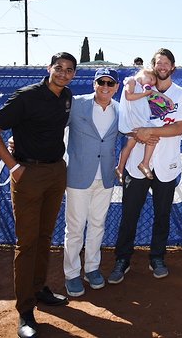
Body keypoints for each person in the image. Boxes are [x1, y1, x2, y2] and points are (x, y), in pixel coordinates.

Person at [0, 52, 76, 338]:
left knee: (45, 236)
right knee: (27, 242)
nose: (63, 74)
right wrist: (13, 166)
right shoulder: (25, 96)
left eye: (69, 70)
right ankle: (25, 310)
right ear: (49, 69)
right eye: (58, 68)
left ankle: (38, 289)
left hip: (56, 172)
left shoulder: (67, 97)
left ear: (73, 75)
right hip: (29, 175)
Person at [108, 48, 182, 283]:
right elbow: (125, 122)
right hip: (137, 164)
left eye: (166, 63)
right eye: (158, 62)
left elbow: (177, 128)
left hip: (166, 164)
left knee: (162, 214)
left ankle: (157, 257)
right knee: (130, 214)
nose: (162, 66)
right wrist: (140, 133)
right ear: (153, 66)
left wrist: (149, 131)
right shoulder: (138, 86)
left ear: (173, 67)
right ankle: (122, 259)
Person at [63, 68, 121, 297]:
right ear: (94, 84)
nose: (105, 87)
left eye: (110, 83)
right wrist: (19, 138)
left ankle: (92, 268)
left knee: (97, 225)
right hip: (78, 176)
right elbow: (52, 124)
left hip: (105, 177)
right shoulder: (77, 104)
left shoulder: (119, 109)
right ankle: (71, 274)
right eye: (101, 82)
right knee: (75, 228)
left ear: (116, 87)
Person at [116, 67, 174, 180]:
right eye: (151, 79)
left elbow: (154, 93)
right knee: (152, 133)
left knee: (131, 144)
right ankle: (136, 164)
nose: (151, 83)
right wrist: (144, 93)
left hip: (139, 122)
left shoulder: (145, 89)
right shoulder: (131, 81)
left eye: (153, 83)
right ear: (143, 73)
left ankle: (128, 166)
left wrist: (168, 99)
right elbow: (129, 96)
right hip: (132, 121)